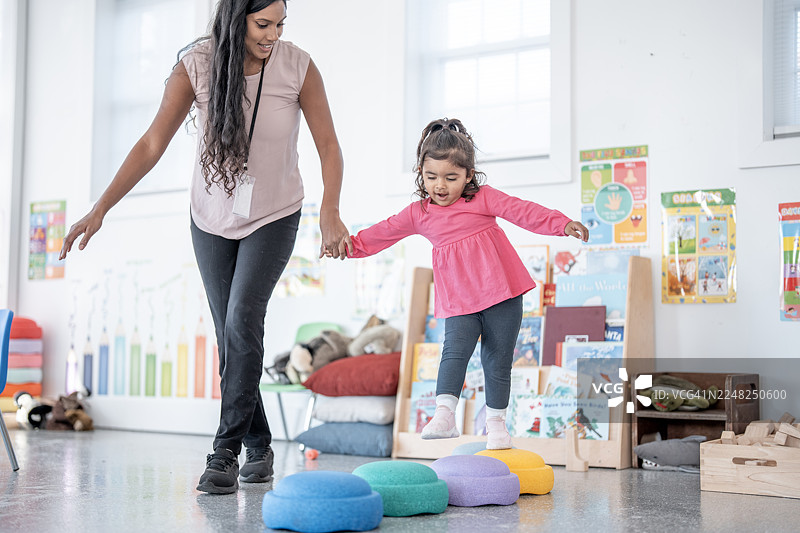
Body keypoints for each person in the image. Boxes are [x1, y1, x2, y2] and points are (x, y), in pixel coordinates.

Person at [59, 0, 351, 494]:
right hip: (210, 218)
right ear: (235, 19)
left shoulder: (297, 65)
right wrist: (101, 206)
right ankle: (260, 441)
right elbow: (152, 143)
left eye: (280, 24)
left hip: (274, 213)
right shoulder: (196, 64)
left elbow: (328, 144)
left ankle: (225, 452)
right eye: (263, 24)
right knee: (229, 334)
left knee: (241, 319)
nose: (273, 35)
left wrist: (330, 211)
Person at [344, 118, 588, 449]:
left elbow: (523, 211)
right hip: (459, 299)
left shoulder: (482, 199)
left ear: (468, 175)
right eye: (431, 177)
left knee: (497, 360)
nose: (440, 185)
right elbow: (383, 231)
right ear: (421, 172)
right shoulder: (420, 213)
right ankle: (444, 415)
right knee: (454, 351)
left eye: (451, 177)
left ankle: (497, 427)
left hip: (502, 293)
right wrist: (349, 246)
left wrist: (562, 224)